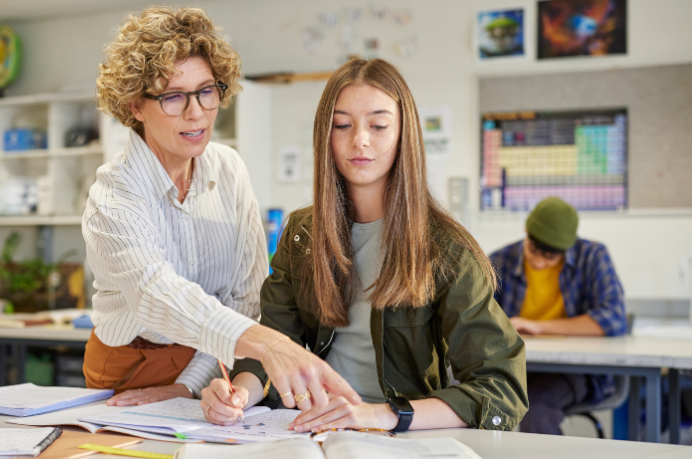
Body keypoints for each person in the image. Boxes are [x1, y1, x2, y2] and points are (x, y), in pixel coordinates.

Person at [199, 58, 528, 433]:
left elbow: (502, 388)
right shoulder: (301, 235)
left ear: (404, 133)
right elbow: (274, 345)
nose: (360, 140)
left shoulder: (446, 249)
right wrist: (237, 395)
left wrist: (382, 414)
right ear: (326, 135)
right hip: (306, 431)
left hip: (401, 439)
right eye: (342, 125)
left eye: (379, 125)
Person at [84, 6, 358, 410]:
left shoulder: (228, 169)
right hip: (129, 367)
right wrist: (266, 342)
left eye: (206, 91)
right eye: (173, 96)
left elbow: (244, 297)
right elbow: (155, 295)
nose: (196, 112)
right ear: (134, 106)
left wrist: (190, 385)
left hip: (214, 360)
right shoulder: (114, 193)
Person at [490, 196, 626, 435]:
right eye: (534, 250)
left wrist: (539, 327)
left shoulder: (593, 256)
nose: (540, 262)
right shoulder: (499, 261)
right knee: (469, 396)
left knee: (537, 403)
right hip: (515, 367)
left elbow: (613, 318)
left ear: (567, 249)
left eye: (551, 257)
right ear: (526, 231)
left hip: (574, 370)